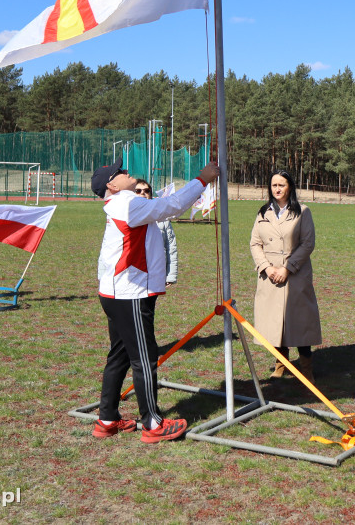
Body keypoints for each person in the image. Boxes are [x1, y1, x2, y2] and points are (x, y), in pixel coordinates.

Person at [90, 158, 220, 444]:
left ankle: (107, 419)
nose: (127, 173)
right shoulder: (127, 203)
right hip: (130, 294)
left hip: (117, 292)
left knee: (120, 356)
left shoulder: (122, 203)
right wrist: (202, 180)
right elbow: (171, 206)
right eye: (120, 173)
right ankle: (152, 423)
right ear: (112, 185)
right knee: (144, 359)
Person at [249, 170, 322, 381]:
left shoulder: (303, 212)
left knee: (300, 322)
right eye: (274, 185)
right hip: (269, 276)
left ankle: (306, 367)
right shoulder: (263, 213)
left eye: (281, 185)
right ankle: (280, 363)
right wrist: (266, 267)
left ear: (290, 187)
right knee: (274, 323)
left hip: (295, 275)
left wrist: (287, 268)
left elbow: (308, 243)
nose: (277, 189)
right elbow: (255, 243)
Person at [134, 179, 179, 288]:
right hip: (133, 275)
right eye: (138, 190)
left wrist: (170, 275)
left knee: (149, 305)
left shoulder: (162, 218)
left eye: (146, 190)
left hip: (156, 274)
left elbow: (171, 248)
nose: (143, 193)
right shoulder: (125, 217)